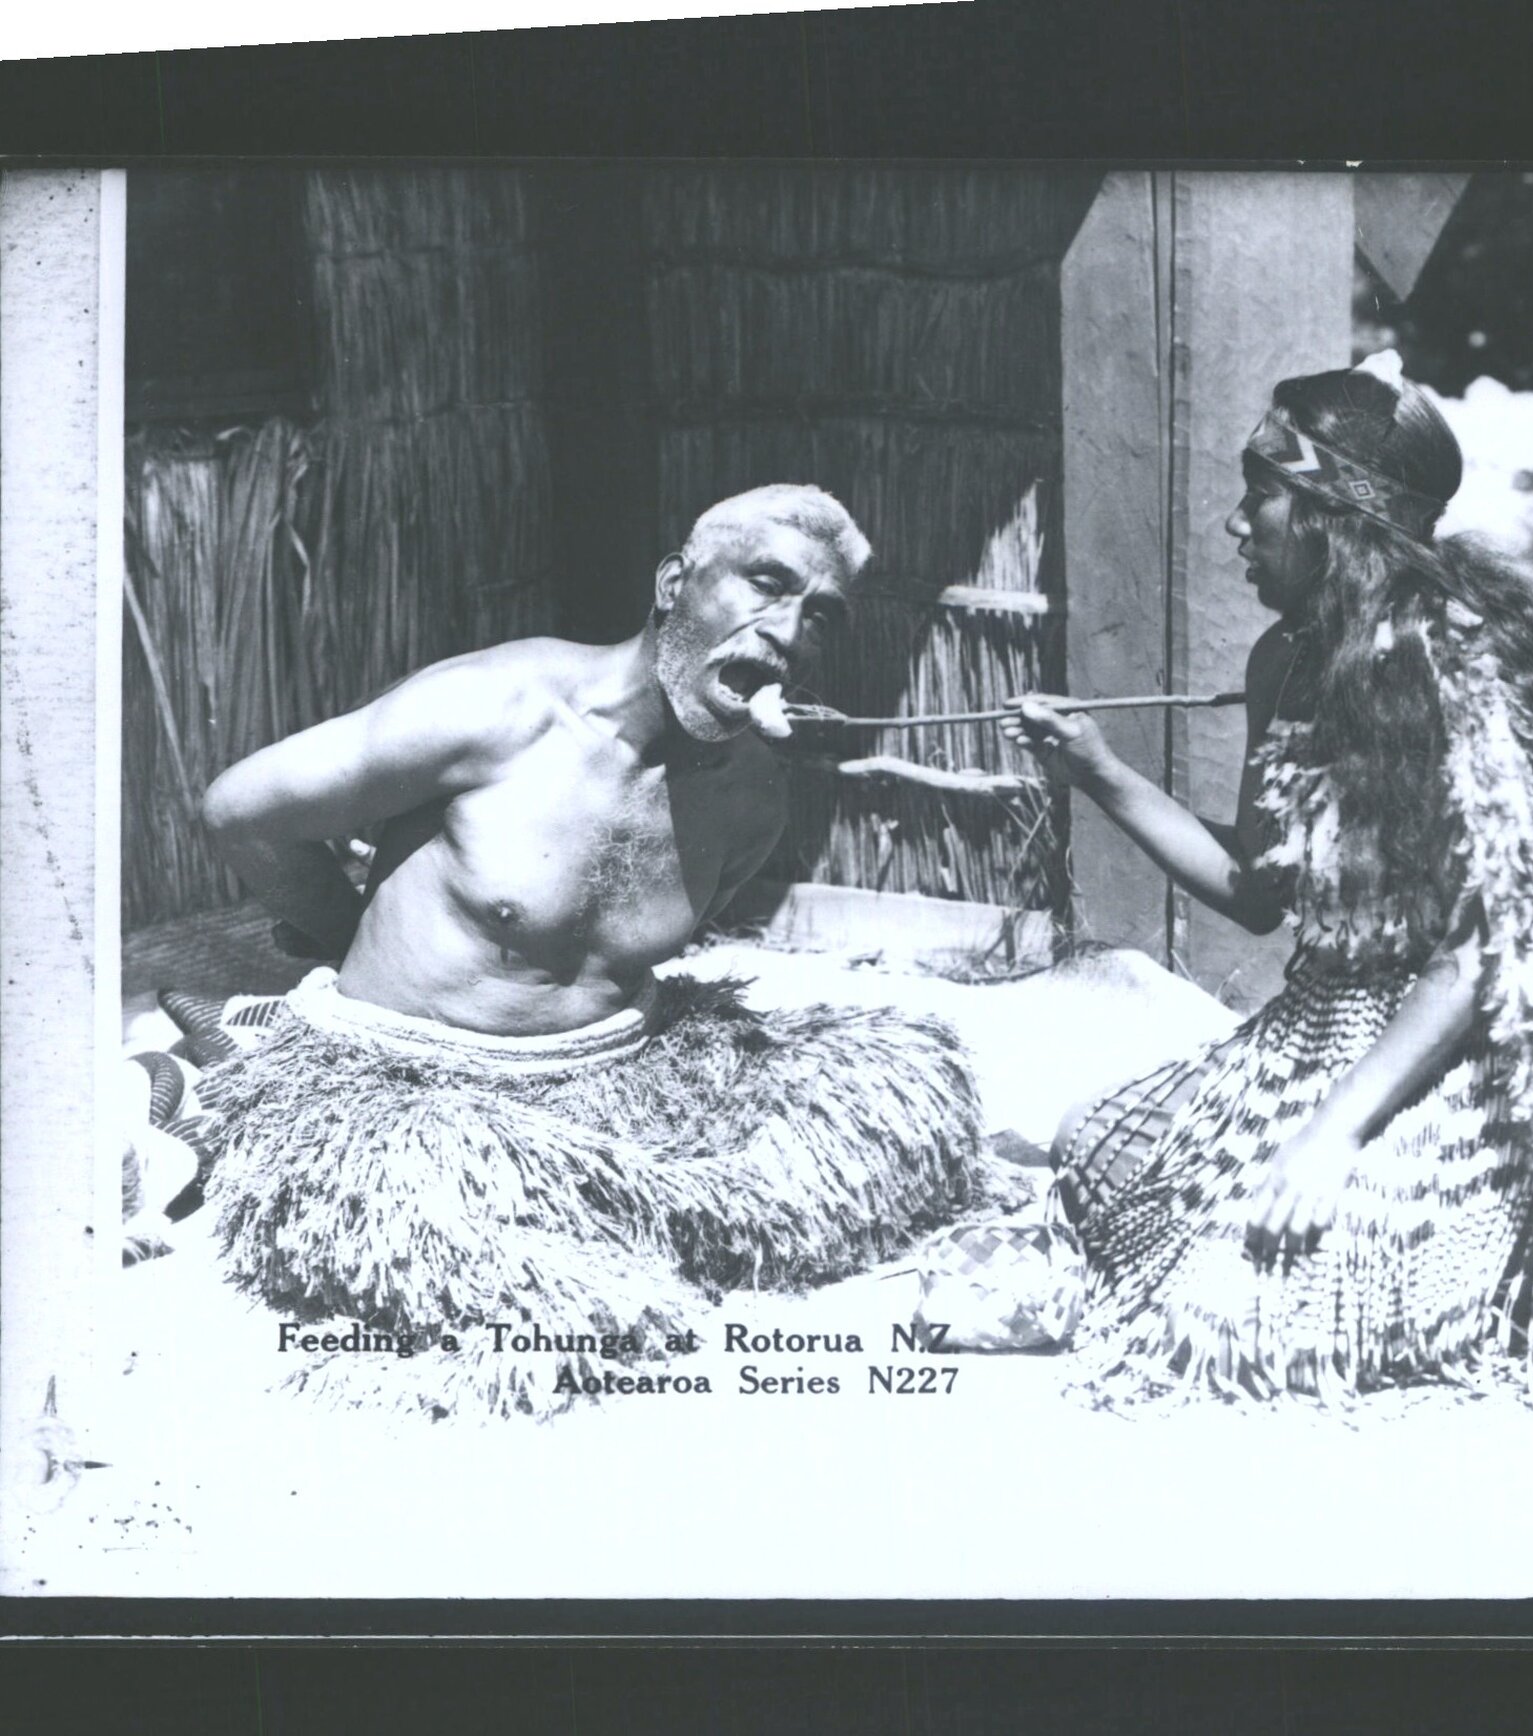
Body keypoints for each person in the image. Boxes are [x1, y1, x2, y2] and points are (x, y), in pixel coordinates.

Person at [1003, 356, 1533, 1424]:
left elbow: (1478, 949)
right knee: (1101, 1155)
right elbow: (1255, 889)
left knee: (1222, 1309)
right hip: (1310, 1026)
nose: (1234, 524)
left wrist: (1330, 1134)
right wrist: (1094, 767)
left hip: (1442, 1055)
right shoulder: (1287, 658)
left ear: (1329, 518)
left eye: (1257, 494)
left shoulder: (1449, 667)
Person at [190, 484, 1001, 1417]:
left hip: (610, 1082)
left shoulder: (752, 798)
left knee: (895, 1103)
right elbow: (239, 814)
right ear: (673, 583)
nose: (788, 632)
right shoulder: (496, 706)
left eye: (819, 617)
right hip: (413, 1092)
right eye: (764, 584)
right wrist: (345, 941)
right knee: (519, 1283)